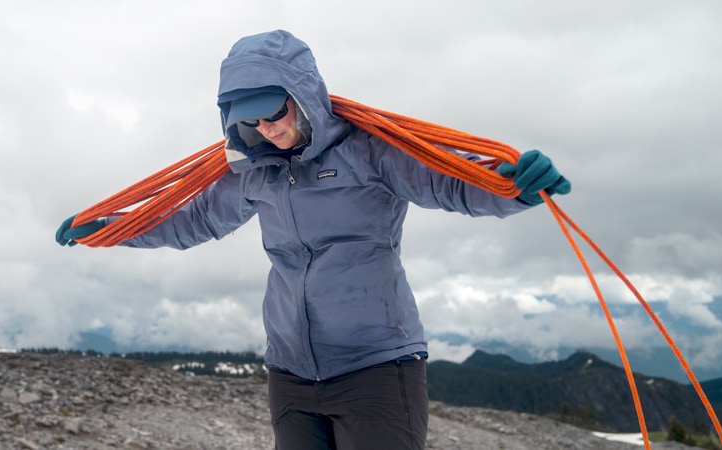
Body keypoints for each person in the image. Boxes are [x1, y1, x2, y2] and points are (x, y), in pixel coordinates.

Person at [56, 29, 570, 450]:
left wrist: (512, 188)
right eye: (251, 120)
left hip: (376, 367)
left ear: (302, 94)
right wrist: (114, 229)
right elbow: (193, 221)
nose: (267, 129)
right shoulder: (253, 170)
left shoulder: (370, 150)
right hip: (292, 374)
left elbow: (447, 180)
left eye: (275, 111)